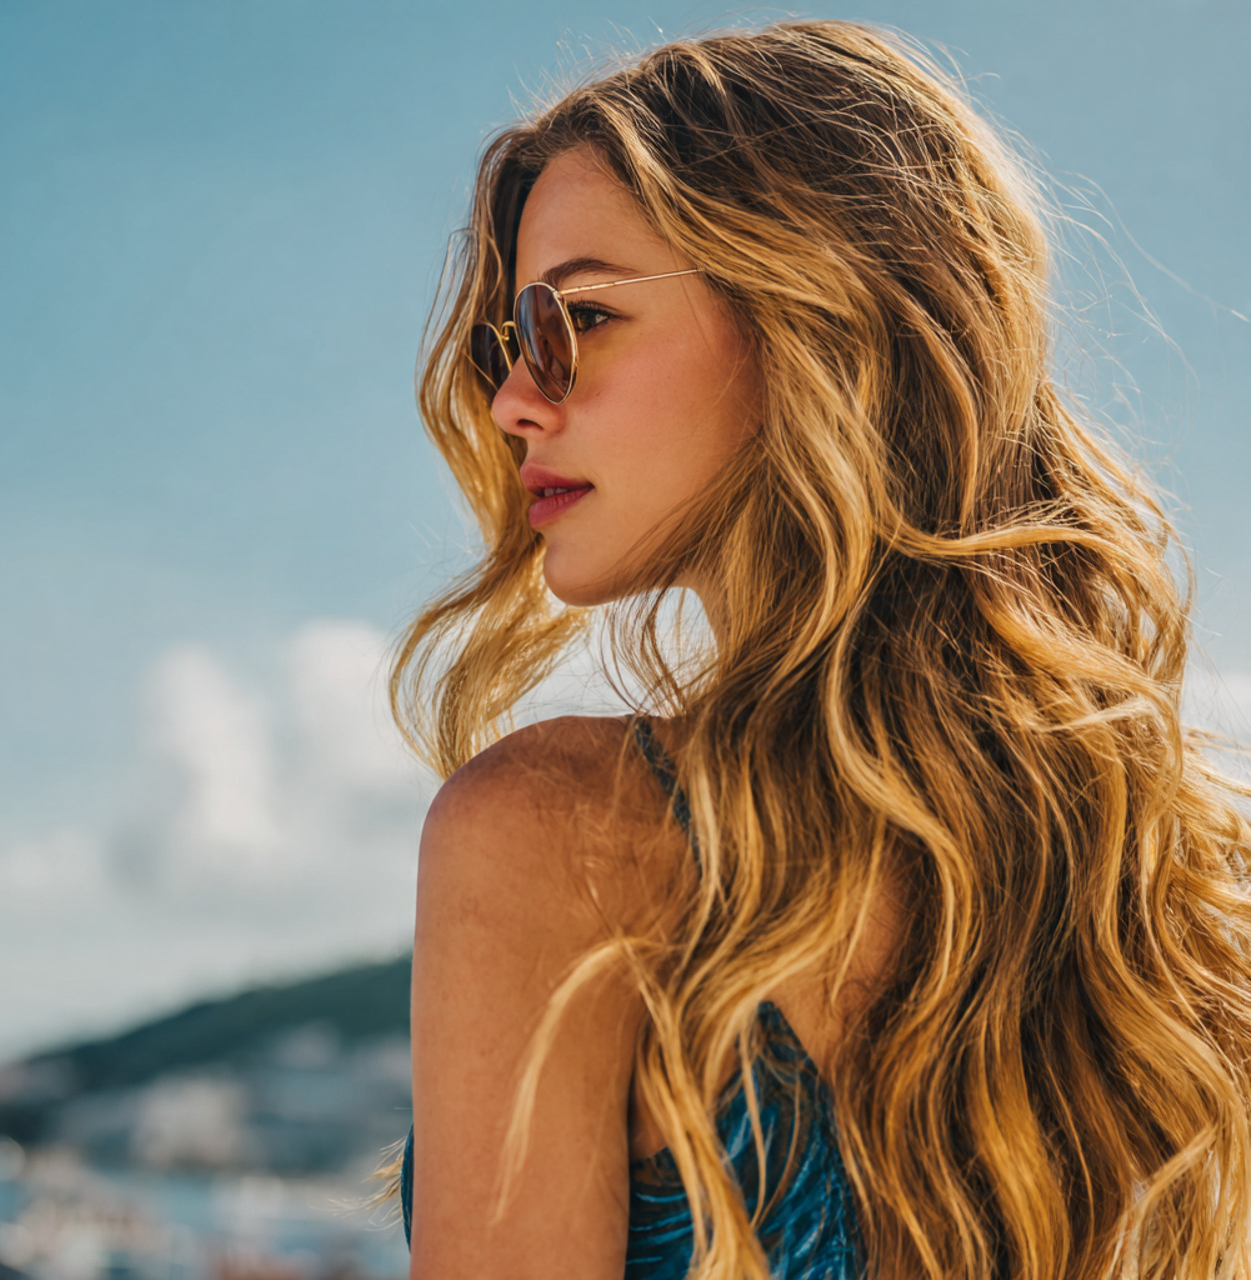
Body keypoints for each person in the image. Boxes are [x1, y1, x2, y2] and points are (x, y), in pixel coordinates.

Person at [380, 20, 1251, 1280]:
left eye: (573, 317)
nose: (515, 398)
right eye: (505, 344)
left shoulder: (561, 840)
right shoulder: (1176, 899)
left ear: (819, 317)